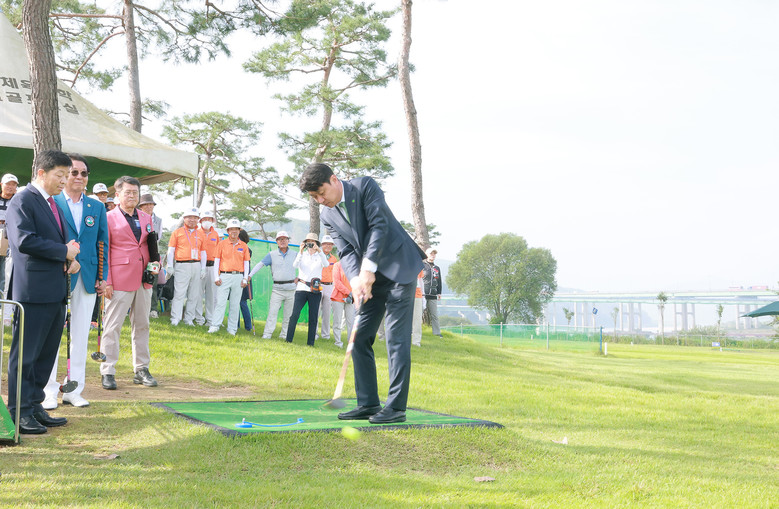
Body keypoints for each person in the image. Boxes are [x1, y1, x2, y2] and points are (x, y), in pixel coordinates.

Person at [300, 163, 426, 424]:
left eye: (321, 193)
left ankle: (396, 408)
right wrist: (357, 279)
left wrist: (368, 269)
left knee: (395, 338)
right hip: (369, 278)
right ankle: (368, 403)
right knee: (358, 337)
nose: (321, 200)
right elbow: (346, 251)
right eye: (314, 197)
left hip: (399, 267)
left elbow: (379, 226)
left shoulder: (364, 186)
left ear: (334, 179)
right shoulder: (327, 215)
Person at [6, 150, 81, 434]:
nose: (65, 180)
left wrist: (69, 258)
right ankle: (19, 411)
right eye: (60, 175)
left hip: (54, 290)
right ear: (41, 173)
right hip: (33, 292)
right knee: (26, 355)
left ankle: (35, 405)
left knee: (45, 355)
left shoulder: (52, 203)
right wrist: (63, 251)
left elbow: (56, 241)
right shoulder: (23, 199)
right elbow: (24, 240)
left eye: (67, 175)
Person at [42, 154, 109, 409]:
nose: (79, 177)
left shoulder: (96, 207)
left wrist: (102, 277)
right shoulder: (53, 201)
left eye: (84, 173)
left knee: (80, 335)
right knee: (52, 335)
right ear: (65, 175)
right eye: (74, 172)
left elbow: (102, 243)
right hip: (58, 274)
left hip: (88, 276)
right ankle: (49, 390)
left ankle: (74, 388)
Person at [100, 176, 158, 390]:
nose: (132, 196)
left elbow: (150, 245)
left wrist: (156, 264)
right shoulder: (108, 218)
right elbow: (103, 250)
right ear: (118, 195)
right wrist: (106, 280)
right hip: (118, 279)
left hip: (144, 279)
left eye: (135, 192)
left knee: (142, 325)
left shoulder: (146, 217)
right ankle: (108, 370)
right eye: (128, 192)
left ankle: (141, 369)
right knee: (112, 326)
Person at [247, 231, 296, 339]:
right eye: (280, 239)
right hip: (277, 290)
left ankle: (284, 335)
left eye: (284, 239)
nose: (282, 241)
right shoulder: (272, 254)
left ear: (288, 240)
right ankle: (267, 334)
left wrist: (300, 278)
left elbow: (303, 266)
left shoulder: (295, 254)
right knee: (272, 313)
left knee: (288, 315)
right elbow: (260, 264)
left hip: (291, 289)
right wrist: (250, 275)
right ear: (277, 241)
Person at [285, 233, 329, 346]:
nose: (310, 244)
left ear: (316, 243)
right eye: (308, 242)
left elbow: (326, 264)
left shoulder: (320, 255)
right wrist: (300, 251)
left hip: (315, 290)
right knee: (294, 314)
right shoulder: (302, 255)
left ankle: (310, 343)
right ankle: (288, 339)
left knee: (313, 317)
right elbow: (295, 265)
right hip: (301, 288)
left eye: (312, 242)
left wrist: (319, 251)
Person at [166, 207, 206, 326]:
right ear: (184, 218)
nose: (192, 220)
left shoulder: (201, 234)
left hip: (196, 265)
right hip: (182, 265)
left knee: (194, 294)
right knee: (179, 293)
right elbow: (171, 250)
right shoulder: (177, 232)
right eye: (189, 217)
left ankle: (189, 319)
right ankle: (175, 318)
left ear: (198, 219)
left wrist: (203, 268)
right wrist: (170, 265)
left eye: (195, 217)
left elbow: (203, 252)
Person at [208, 219, 250, 335]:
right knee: (220, 303)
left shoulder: (244, 246)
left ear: (239, 231)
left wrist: (245, 278)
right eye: (231, 229)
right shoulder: (221, 244)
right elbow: (217, 261)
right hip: (224, 275)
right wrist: (216, 277)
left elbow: (246, 263)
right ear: (228, 231)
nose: (234, 232)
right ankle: (215, 325)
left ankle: (232, 329)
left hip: (238, 276)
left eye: (236, 229)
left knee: (235, 304)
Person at [138, 193, 163, 318]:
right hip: (139, 254)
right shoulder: (136, 218)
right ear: (141, 207)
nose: (148, 207)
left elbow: (159, 238)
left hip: (153, 255)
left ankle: (153, 309)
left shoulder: (158, 220)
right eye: (145, 205)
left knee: (152, 281)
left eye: (150, 204)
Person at [196, 212, 220, 327]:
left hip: (212, 266)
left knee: (212, 294)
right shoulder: (196, 233)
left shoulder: (216, 234)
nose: (207, 221)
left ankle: (210, 319)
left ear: (212, 221)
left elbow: (219, 251)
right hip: (199, 265)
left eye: (209, 219)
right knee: (198, 293)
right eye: (204, 219)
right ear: (200, 221)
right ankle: (198, 318)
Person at [0, 173, 19, 295]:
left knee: (4, 270)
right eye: (8, 184)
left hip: (10, 238)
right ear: (1, 185)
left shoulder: (18, 201)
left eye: (13, 185)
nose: (10, 187)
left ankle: (2, 297)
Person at [330, 260, 355, 348]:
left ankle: (351, 343)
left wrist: (352, 294)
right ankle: (338, 342)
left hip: (351, 298)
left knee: (351, 322)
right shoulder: (337, 265)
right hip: (338, 297)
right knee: (337, 321)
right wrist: (348, 292)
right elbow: (337, 282)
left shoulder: (354, 265)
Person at [318, 235, 337, 340]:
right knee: (316, 310)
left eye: (330, 244)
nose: (328, 246)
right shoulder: (317, 256)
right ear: (322, 245)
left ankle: (325, 335)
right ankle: (314, 333)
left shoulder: (334, 259)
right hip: (318, 285)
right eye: (326, 244)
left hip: (330, 286)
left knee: (327, 312)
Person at [423, 247, 443, 337]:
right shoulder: (422, 265)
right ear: (427, 254)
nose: (433, 255)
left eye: (434, 254)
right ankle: (414, 332)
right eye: (431, 253)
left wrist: (439, 293)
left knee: (434, 315)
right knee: (418, 314)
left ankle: (437, 333)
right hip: (423, 294)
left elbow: (439, 281)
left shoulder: (437, 268)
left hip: (433, 294)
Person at [237, 229, 254, 332]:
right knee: (239, 302)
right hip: (241, 277)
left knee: (241, 302)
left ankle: (246, 326)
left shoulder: (245, 249)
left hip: (243, 278)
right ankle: (239, 325)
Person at [412, 269, 424, 347]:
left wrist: (423, 296)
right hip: (403, 294)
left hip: (417, 294)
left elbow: (420, 281)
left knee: (417, 319)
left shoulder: (418, 264)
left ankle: (416, 341)